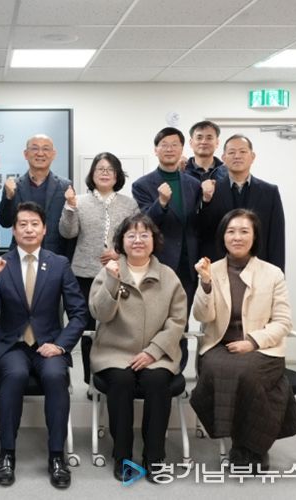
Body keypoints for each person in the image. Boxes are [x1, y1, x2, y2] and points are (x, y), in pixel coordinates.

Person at [0, 201, 87, 489]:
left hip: (49, 344)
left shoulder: (59, 264)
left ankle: (57, 456)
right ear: (14, 231)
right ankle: (7, 453)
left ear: (44, 229)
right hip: (12, 345)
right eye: (22, 224)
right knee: (14, 375)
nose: (29, 229)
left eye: (34, 224)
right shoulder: (1, 264)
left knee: (55, 375)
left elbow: (79, 313)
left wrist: (61, 346)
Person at [190, 209, 296, 468]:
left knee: (247, 372)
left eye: (244, 231)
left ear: (255, 236)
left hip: (262, 348)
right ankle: (244, 444)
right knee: (215, 368)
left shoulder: (272, 273)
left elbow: (283, 321)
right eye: (231, 231)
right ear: (223, 236)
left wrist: (252, 341)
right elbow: (202, 316)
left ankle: (251, 448)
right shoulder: (211, 270)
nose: (237, 237)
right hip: (220, 344)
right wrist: (205, 284)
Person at [89, 213, 187, 483]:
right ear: (121, 242)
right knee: (121, 381)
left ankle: (154, 457)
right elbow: (99, 313)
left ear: (154, 240)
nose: (138, 240)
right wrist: (112, 281)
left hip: (157, 354)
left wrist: (153, 351)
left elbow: (178, 321)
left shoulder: (168, 276)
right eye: (131, 235)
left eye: (145, 235)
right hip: (114, 352)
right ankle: (123, 456)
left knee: (157, 381)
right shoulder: (108, 271)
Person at [58, 152, 138, 384]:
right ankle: (91, 379)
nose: (105, 173)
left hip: (119, 273)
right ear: (92, 174)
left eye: (110, 169)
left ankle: (114, 373)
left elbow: (136, 236)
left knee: (117, 325)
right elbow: (68, 232)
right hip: (84, 273)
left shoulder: (129, 204)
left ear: (118, 175)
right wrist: (70, 207)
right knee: (87, 328)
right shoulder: (79, 201)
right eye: (100, 169)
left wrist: (119, 252)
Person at [132, 127, 201, 367]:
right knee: (154, 318)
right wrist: (161, 203)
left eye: (174, 144)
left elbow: (198, 222)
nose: (169, 149)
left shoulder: (194, 184)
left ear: (182, 149)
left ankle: (177, 369)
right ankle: (151, 367)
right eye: (164, 145)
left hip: (188, 265)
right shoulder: (142, 184)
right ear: (156, 150)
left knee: (181, 320)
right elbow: (145, 224)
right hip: (158, 264)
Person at [198, 134, 285, 271]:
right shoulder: (211, 189)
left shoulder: (270, 192)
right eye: (231, 152)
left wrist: (278, 274)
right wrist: (206, 200)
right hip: (219, 267)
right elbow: (201, 230)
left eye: (243, 151)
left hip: (259, 267)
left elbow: (276, 237)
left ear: (252, 157)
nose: (237, 156)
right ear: (224, 158)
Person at [0, 134, 74, 257]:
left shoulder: (65, 186)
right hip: (20, 255)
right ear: (26, 154)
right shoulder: (13, 186)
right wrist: (9, 198)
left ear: (53, 154)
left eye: (45, 149)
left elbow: (70, 227)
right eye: (35, 148)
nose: (40, 153)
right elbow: (4, 222)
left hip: (55, 256)